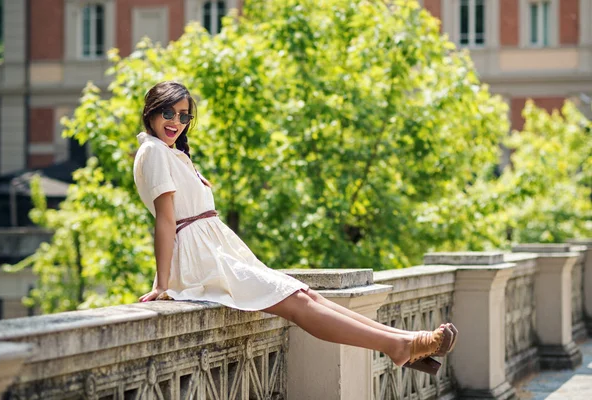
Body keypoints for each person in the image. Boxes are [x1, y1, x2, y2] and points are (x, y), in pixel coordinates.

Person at [133, 81, 458, 375]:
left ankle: (404, 340)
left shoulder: (172, 153)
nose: (175, 121)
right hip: (198, 263)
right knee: (298, 302)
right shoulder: (153, 151)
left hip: (216, 253)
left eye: (183, 115)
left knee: (304, 293)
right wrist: (163, 284)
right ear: (150, 111)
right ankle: (398, 345)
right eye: (167, 112)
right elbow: (165, 219)